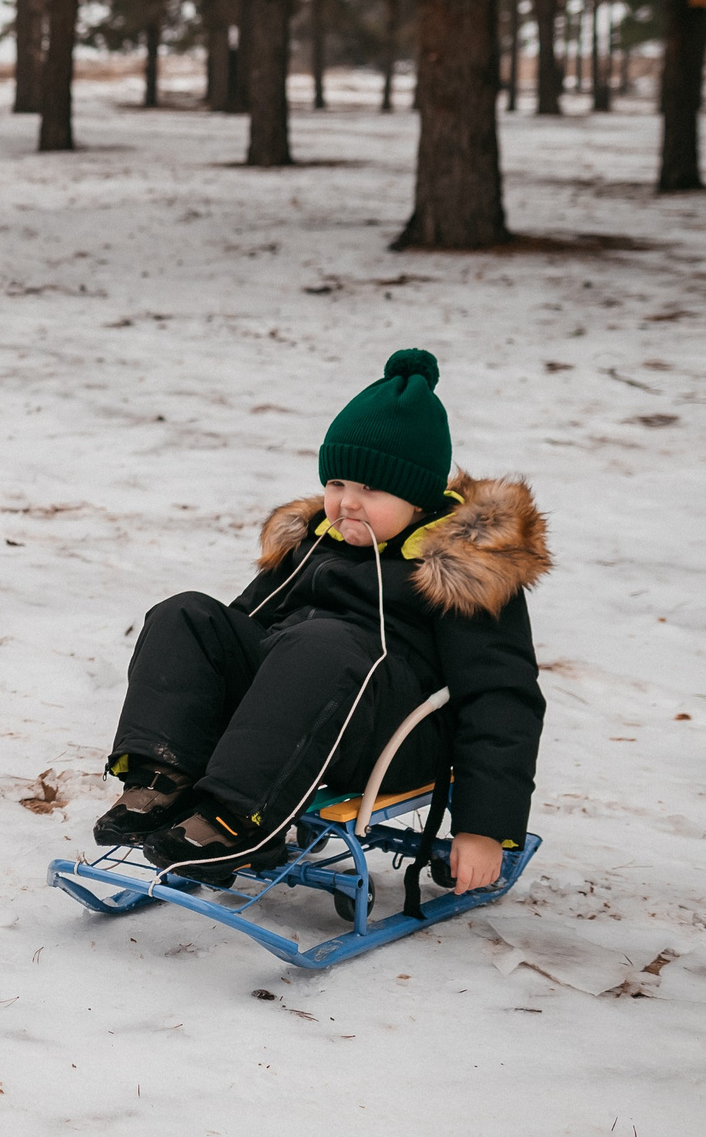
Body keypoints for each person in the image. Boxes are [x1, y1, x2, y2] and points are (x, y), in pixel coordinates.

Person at [92, 349, 552, 890]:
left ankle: (240, 817)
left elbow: (502, 698)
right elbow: (238, 634)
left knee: (321, 642)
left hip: (391, 738)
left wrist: (485, 827)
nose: (347, 503)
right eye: (337, 484)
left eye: (370, 490)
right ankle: (163, 779)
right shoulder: (313, 543)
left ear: (418, 499)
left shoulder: (462, 569)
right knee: (186, 615)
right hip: (288, 723)